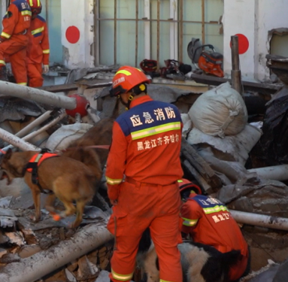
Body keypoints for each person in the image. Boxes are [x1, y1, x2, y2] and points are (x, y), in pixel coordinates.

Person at [105, 66, 183, 282]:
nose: (121, 99)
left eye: (120, 94)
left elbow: (113, 172)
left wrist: (113, 194)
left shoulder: (123, 123)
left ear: (128, 93)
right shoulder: (173, 113)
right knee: (169, 254)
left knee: (124, 252)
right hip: (169, 194)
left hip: (136, 196)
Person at [178, 179, 250, 281]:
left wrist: (181, 232)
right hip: (240, 260)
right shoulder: (215, 202)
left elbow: (183, 230)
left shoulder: (191, 205)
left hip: (217, 263)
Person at [26, 0, 50, 88]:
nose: (34, 14)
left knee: (36, 81)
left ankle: (33, 100)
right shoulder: (21, 22)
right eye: (33, 11)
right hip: (25, 59)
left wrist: (46, 62)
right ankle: (34, 100)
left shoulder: (41, 22)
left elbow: (45, 44)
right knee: (37, 78)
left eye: (37, 11)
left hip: (38, 59)